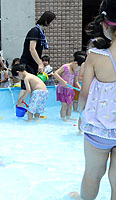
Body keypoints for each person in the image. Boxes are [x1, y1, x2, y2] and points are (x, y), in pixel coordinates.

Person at [69, 0, 116, 199]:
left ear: (105, 24)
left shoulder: (95, 56)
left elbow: (85, 94)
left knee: (92, 174)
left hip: (100, 128)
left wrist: (81, 115)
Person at [18, 11, 55, 105]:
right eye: (52, 21)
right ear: (47, 21)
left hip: (32, 64)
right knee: (25, 87)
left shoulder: (40, 32)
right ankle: (19, 108)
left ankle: (30, 110)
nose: (53, 25)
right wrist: (40, 63)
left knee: (32, 87)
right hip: (27, 64)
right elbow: (32, 49)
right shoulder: (34, 31)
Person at [53, 51, 86, 121]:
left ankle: (68, 117)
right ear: (75, 63)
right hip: (62, 89)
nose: (78, 70)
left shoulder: (76, 71)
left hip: (69, 90)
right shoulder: (65, 67)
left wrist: (80, 88)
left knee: (70, 104)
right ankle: (63, 118)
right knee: (64, 105)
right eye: (79, 68)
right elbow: (55, 73)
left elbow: (76, 82)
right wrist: (62, 81)